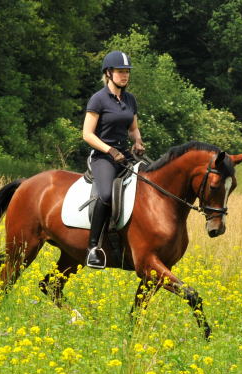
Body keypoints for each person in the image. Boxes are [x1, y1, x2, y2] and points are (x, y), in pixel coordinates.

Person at [82, 50, 145, 269]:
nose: (125, 75)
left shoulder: (130, 99)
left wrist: (137, 141)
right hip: (102, 157)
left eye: (127, 72)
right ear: (108, 73)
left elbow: (133, 128)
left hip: (125, 155)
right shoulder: (98, 99)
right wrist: (110, 151)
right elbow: (87, 134)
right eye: (120, 71)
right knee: (107, 194)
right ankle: (93, 248)